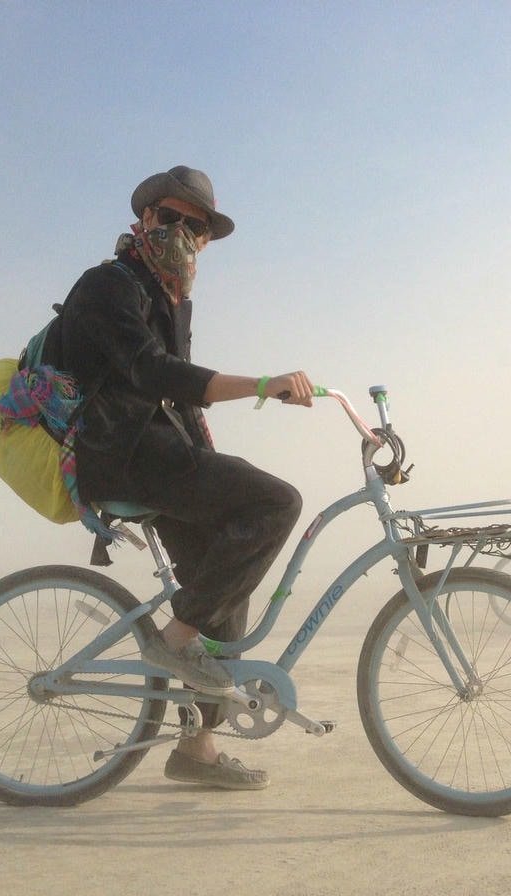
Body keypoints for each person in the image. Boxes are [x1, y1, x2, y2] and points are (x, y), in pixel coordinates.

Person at [59, 166, 312, 789]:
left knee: (221, 583)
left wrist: (209, 452)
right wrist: (260, 385)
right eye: (169, 218)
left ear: (205, 239)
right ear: (143, 218)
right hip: (120, 452)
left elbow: (182, 395)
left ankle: (195, 749)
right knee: (278, 502)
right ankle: (175, 638)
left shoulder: (171, 295)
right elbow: (155, 374)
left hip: (158, 452)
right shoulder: (107, 286)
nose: (182, 232)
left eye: (195, 226)